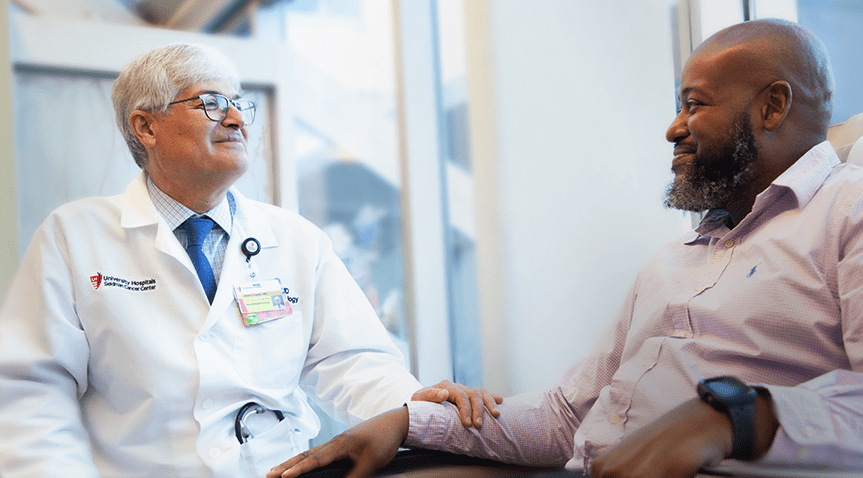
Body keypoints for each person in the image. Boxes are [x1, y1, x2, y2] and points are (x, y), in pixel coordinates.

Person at [269, 18, 863, 478]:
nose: (672, 128)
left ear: (772, 105)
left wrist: (735, 418)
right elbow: (563, 418)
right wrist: (405, 421)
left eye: (694, 104)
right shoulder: (676, 260)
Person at [0, 43, 500, 478]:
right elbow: (31, 396)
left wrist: (417, 410)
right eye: (212, 103)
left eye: (239, 104)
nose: (237, 119)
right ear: (146, 127)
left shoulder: (296, 239)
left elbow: (352, 362)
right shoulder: (74, 237)